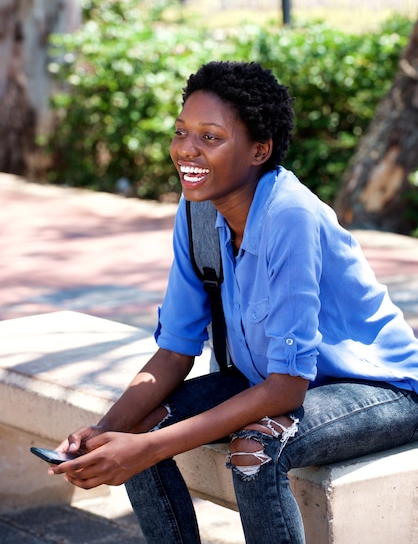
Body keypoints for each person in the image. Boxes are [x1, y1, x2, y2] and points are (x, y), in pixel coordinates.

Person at [50, 61, 418, 544]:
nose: (186, 149)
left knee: (255, 448)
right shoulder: (197, 209)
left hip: (377, 389)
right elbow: (176, 348)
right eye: (182, 131)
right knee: (135, 426)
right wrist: (102, 432)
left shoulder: (290, 216)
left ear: (259, 151)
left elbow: (287, 391)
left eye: (211, 137)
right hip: (267, 382)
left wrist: (148, 450)